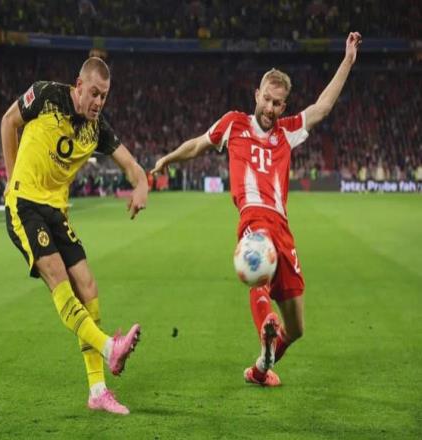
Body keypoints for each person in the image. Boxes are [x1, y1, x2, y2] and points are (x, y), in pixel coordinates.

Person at [152, 33, 362, 387]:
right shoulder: (234, 123)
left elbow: (322, 107)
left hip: (282, 227)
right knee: (258, 273)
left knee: (296, 328)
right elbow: (198, 145)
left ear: (283, 105)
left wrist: (348, 60)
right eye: (266, 99)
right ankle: (265, 321)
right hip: (253, 217)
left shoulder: (288, 131)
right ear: (256, 95)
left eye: (277, 103)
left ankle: (261, 367)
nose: (270, 108)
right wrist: (168, 159)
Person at [1, 57, 148, 414]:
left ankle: (97, 391)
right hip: (25, 203)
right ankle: (109, 348)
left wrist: (142, 185)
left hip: (56, 211)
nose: (98, 102)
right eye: (94, 93)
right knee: (59, 278)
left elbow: (131, 165)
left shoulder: (97, 129)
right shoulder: (46, 95)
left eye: (105, 96)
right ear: (79, 85)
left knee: (88, 287)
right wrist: (10, 178)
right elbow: (9, 122)